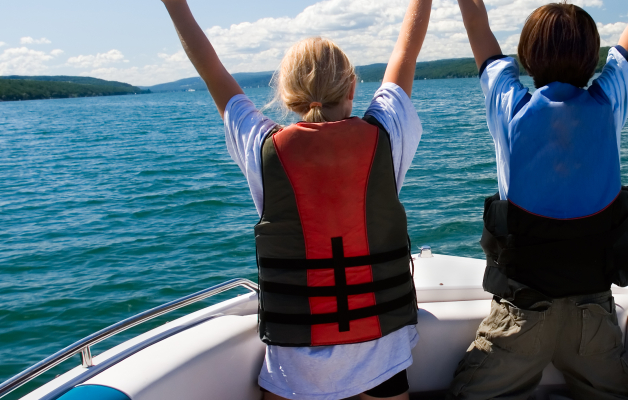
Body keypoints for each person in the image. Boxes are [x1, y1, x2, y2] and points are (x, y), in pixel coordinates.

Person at [159, 0, 433, 399]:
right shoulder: (388, 136)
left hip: (295, 372)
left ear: (286, 97)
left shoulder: (262, 148)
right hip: (382, 358)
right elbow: (404, 52)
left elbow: (210, 67)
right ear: (354, 87)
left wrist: (176, 7)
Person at [448, 0, 628, 399]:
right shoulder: (610, 100)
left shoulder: (508, 105)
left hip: (520, 316)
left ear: (526, 56)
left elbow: (476, 20)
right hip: (592, 319)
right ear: (592, 57)